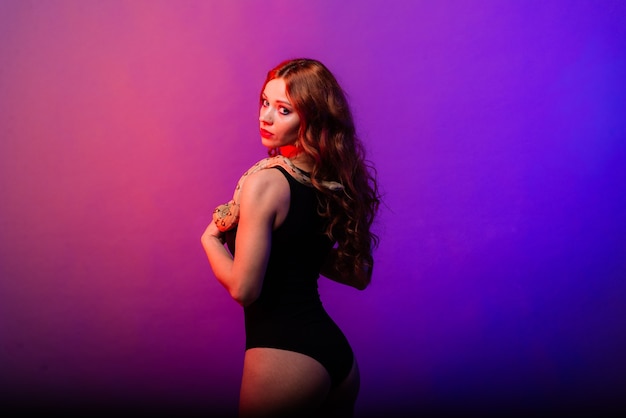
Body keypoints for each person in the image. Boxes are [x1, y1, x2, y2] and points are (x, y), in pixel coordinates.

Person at [201, 58, 380, 417]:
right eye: (265, 103)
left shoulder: (265, 182)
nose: (266, 117)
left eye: (284, 110)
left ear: (312, 118)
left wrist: (208, 240)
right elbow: (358, 275)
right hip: (336, 360)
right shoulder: (329, 184)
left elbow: (244, 290)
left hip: (286, 353)